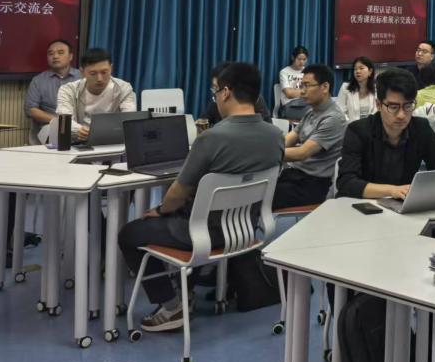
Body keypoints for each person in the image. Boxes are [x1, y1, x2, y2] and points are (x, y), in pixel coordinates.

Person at [118, 62, 283, 332]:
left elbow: (176, 194)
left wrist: (160, 210)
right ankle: (187, 289)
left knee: (130, 233)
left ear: (226, 92)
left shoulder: (210, 139)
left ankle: (172, 306)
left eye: (215, 92)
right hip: (246, 231)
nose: (215, 98)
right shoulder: (276, 136)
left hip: (201, 233)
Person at [335, 68, 435, 199]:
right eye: (393, 107)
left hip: (402, 204)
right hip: (361, 204)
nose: (401, 115)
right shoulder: (358, 131)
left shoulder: (421, 128)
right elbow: (346, 183)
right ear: (378, 105)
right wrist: (391, 190)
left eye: (408, 106)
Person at [273, 65, 347, 210]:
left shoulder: (334, 118)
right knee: (257, 188)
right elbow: (288, 140)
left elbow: (302, 153)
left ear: (325, 87)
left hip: (314, 184)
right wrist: (270, 149)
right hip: (296, 175)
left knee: (260, 197)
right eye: (301, 86)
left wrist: (266, 153)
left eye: (307, 85)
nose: (302, 91)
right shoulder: (311, 112)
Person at [45, 47, 136, 143]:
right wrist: (78, 130)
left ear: (111, 68)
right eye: (93, 73)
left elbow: (129, 119)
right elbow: (64, 119)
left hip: (112, 140)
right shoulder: (68, 90)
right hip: (79, 141)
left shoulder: (123, 88)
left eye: (104, 72)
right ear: (82, 72)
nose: (99, 78)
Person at [24, 39, 81, 143]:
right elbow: (31, 110)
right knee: (56, 133)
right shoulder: (38, 80)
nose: (55, 56)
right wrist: (59, 121)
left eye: (60, 52)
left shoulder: (82, 77)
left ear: (70, 56)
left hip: (80, 125)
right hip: (51, 126)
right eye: (51, 53)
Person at [199, 62, 273, 127]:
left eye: (217, 88)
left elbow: (267, 125)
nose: (215, 92)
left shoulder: (253, 99)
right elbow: (204, 120)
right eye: (214, 88)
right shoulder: (216, 98)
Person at [336, 56, 377, 121]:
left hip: (370, 126)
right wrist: (351, 125)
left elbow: (376, 111)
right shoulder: (345, 88)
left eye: (361, 68)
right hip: (350, 125)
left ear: (370, 71)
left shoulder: (376, 89)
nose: (357, 71)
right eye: (355, 69)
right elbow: (339, 111)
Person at [278, 45, 309, 119]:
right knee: (314, 111)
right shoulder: (284, 72)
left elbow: (311, 92)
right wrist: (305, 91)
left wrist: (295, 91)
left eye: (304, 59)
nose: (302, 62)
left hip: (305, 103)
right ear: (293, 58)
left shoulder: (307, 72)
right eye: (299, 59)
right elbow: (289, 94)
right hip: (289, 106)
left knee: (319, 106)